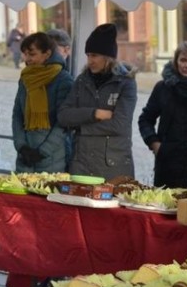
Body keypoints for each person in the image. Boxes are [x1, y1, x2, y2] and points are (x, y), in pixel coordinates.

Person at [58, 23, 138, 180]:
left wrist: (80, 127)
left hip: (113, 165)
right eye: (88, 55)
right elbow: (63, 116)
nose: (90, 60)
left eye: (94, 55)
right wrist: (95, 113)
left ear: (108, 57)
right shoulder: (82, 80)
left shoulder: (126, 83)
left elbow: (120, 125)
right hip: (82, 163)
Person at [138, 41, 187, 188]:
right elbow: (145, 119)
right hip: (167, 163)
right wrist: (155, 144)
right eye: (183, 60)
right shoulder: (163, 88)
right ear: (176, 61)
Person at [11, 32, 73, 172]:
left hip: (51, 158)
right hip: (24, 156)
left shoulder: (63, 79)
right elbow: (17, 115)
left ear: (47, 54)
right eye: (25, 54)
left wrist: (43, 151)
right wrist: (21, 146)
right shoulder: (26, 78)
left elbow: (63, 122)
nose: (27, 59)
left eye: (32, 54)